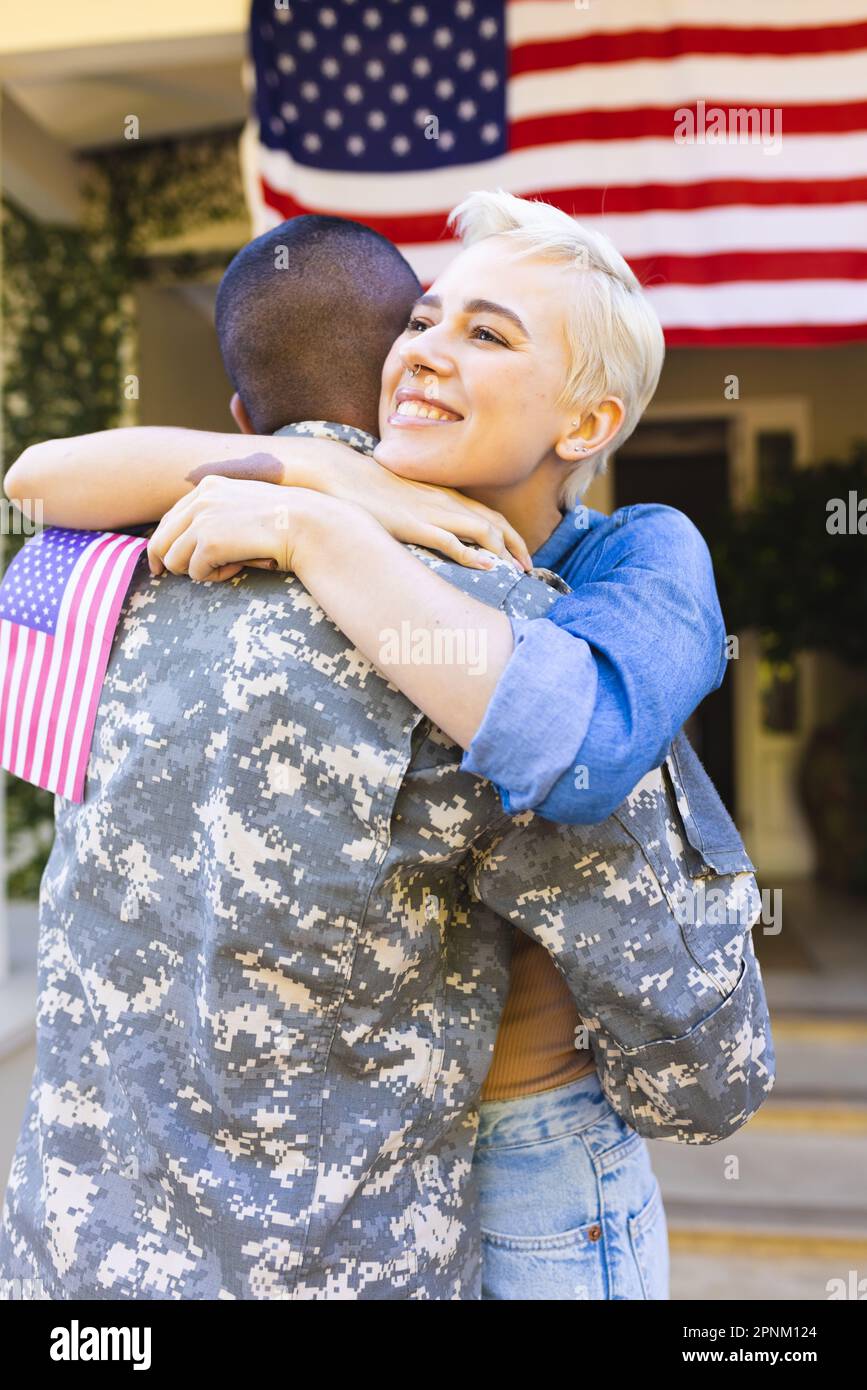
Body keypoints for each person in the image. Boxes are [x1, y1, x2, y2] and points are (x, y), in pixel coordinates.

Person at [3, 207, 773, 1301]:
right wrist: (334, 490)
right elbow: (35, 478)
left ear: (588, 419)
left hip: (512, 1155)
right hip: (407, 1182)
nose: (429, 350)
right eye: (422, 319)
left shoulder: (612, 571)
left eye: (488, 334)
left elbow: (583, 741)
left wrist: (318, 518)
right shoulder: (256, 532)